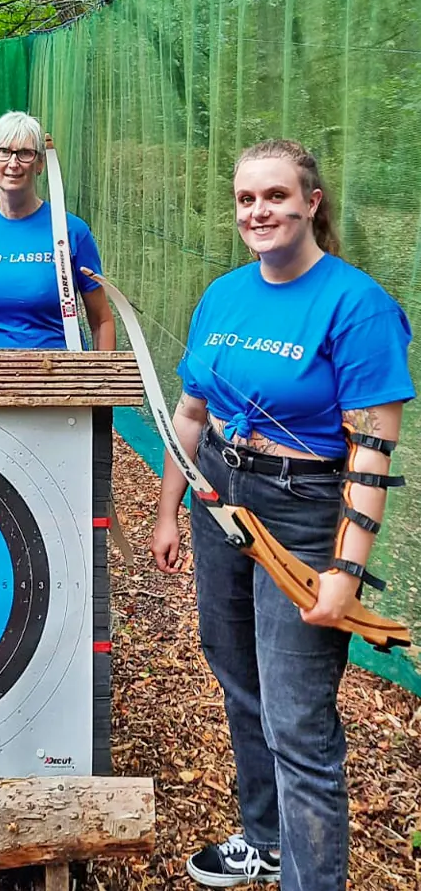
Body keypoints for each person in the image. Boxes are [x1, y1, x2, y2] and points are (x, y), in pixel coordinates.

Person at [149, 139, 413, 889]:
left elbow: (370, 453)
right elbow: (192, 411)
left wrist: (344, 574)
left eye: (275, 196)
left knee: (298, 717)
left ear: (311, 202)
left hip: (302, 510)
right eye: (245, 200)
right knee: (238, 679)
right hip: (218, 498)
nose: (258, 212)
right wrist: (170, 510)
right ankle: (264, 838)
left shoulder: (357, 305)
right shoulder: (224, 294)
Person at [0, 111, 115, 352]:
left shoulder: (72, 231)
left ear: (40, 164)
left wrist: (100, 383)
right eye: (3, 151)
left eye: (25, 153)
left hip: (57, 379)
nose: (13, 163)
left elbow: (102, 321)